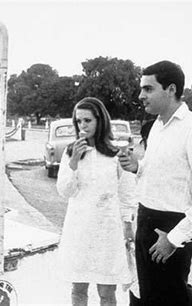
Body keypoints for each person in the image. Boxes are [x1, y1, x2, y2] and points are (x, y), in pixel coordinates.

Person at [118, 61, 192, 305]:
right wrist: (138, 167)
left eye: (148, 89)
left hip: (169, 229)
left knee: (172, 298)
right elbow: (165, 174)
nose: (140, 95)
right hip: (145, 222)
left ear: (171, 89)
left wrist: (175, 238)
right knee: (145, 296)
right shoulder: (156, 126)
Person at [56, 97, 137, 305]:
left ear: (100, 121)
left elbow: (128, 193)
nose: (83, 126)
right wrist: (74, 161)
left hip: (106, 229)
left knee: (107, 291)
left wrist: (127, 225)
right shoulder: (70, 152)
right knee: (78, 289)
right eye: (79, 121)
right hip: (79, 227)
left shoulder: (115, 153)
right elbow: (65, 191)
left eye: (88, 121)